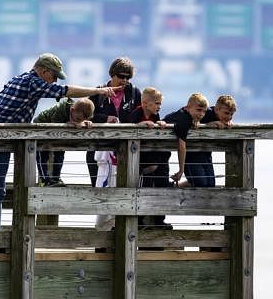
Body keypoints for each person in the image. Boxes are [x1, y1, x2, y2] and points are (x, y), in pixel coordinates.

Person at [0, 53, 116, 238]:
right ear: (43, 71)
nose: (54, 80)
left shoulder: (20, 78)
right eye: (53, 75)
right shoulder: (33, 82)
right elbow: (65, 91)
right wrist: (97, 91)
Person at [86, 57, 142, 186]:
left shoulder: (135, 93)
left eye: (128, 78)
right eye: (121, 76)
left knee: (124, 190)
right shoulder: (98, 92)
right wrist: (104, 119)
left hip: (126, 150)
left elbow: (142, 115)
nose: (124, 81)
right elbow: (86, 116)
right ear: (112, 74)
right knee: (97, 189)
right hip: (98, 149)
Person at [130, 87, 170, 230]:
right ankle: (139, 220)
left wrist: (161, 124)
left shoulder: (155, 116)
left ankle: (159, 220)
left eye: (160, 104)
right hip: (139, 159)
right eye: (157, 103)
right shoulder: (137, 113)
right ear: (145, 103)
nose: (159, 107)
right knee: (141, 189)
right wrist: (139, 126)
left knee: (160, 187)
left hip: (152, 156)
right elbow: (128, 126)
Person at [33, 97, 94, 186]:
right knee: (42, 154)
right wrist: (67, 123)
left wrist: (86, 122)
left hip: (59, 136)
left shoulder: (78, 114)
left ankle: (55, 178)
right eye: (77, 119)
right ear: (72, 110)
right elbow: (54, 122)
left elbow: (80, 120)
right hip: (42, 129)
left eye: (82, 120)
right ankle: (44, 179)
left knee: (60, 152)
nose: (78, 122)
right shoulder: (60, 110)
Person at [184, 94, 238, 187]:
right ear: (217, 109)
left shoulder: (221, 118)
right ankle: (175, 187)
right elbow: (188, 115)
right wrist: (202, 123)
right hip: (192, 156)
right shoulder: (206, 112)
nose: (229, 117)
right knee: (201, 183)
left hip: (206, 156)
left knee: (211, 185)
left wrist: (227, 124)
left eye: (231, 114)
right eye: (226, 113)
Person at [163, 93, 210, 186]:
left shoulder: (186, 114)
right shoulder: (184, 119)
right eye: (199, 110)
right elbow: (181, 146)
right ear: (187, 107)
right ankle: (174, 186)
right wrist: (181, 171)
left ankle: (174, 186)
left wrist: (196, 120)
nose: (201, 114)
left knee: (206, 183)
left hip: (165, 150)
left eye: (204, 111)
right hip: (158, 149)